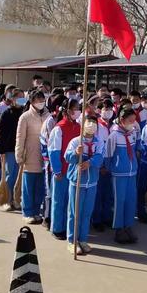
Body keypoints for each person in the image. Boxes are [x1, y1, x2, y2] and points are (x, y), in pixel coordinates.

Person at [65, 115, 104, 255]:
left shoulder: (98, 142)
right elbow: (67, 157)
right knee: (75, 212)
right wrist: (76, 153)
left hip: (92, 182)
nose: (92, 125)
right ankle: (72, 240)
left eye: (94, 123)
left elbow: (100, 157)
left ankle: (82, 239)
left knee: (87, 212)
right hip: (77, 182)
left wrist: (90, 162)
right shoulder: (76, 141)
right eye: (89, 122)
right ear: (83, 124)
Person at [105, 107, 139, 244]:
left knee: (131, 200)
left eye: (134, 120)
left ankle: (128, 226)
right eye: (130, 121)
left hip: (132, 172)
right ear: (122, 120)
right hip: (119, 174)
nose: (133, 123)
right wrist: (111, 168)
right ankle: (119, 229)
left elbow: (135, 149)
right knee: (120, 201)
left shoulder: (132, 133)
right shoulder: (114, 135)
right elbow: (108, 155)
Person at [48, 99, 81, 239]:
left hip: (74, 170)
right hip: (62, 169)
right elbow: (54, 151)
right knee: (59, 199)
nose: (77, 111)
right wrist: (57, 170)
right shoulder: (58, 128)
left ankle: (69, 227)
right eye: (74, 109)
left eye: (78, 108)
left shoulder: (79, 126)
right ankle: (57, 227)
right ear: (66, 111)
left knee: (71, 200)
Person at [15, 90, 50, 224]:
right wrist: (19, 154)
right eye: (37, 100)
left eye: (42, 99)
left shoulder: (49, 115)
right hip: (30, 155)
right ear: (31, 101)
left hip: (44, 157)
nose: (41, 102)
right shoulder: (25, 117)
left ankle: (36, 211)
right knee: (28, 186)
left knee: (40, 187)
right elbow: (20, 137)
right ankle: (28, 212)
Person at [40, 93, 68, 229]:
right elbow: (51, 144)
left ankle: (58, 218)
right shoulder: (51, 121)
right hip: (50, 160)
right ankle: (47, 217)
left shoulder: (64, 122)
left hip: (63, 160)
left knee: (60, 193)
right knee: (50, 191)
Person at [0, 89, 26, 210]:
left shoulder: (25, 113)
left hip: (22, 149)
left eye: (23, 97)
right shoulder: (6, 113)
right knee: (10, 175)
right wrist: (1, 150)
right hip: (9, 149)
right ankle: (7, 200)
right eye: (19, 97)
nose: (22, 99)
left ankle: (16, 199)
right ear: (12, 99)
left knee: (20, 176)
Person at [92, 99, 115, 231]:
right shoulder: (96, 125)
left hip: (111, 160)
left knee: (108, 192)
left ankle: (107, 217)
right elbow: (94, 145)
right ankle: (97, 219)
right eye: (105, 109)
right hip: (99, 161)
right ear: (100, 110)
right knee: (98, 193)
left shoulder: (114, 126)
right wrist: (100, 165)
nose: (108, 111)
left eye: (110, 109)